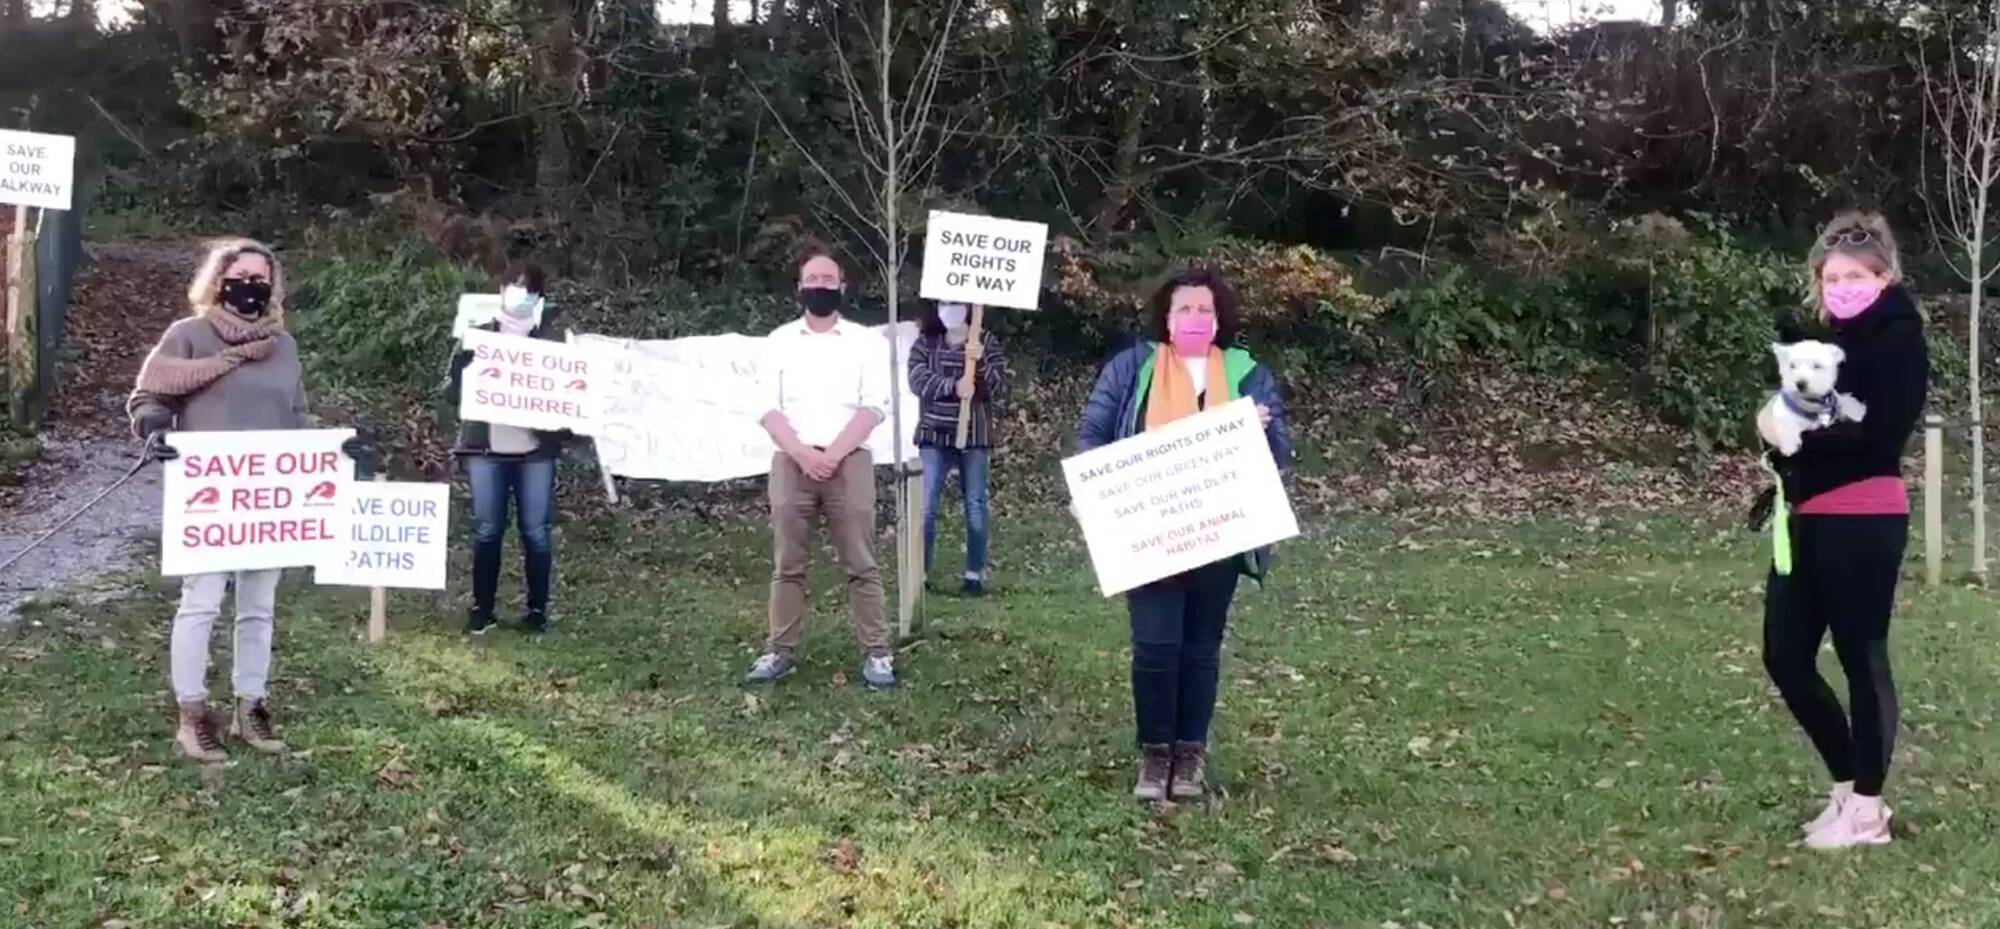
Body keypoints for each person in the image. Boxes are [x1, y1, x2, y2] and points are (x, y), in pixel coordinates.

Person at [128, 237, 366, 763]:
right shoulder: (188, 335)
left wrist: (333, 447)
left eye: (261, 279)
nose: (250, 287)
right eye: (241, 277)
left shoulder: (284, 347)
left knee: (258, 608)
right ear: (219, 281)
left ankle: (250, 706)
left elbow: (296, 415)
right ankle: (192, 714)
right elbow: (148, 395)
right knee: (202, 602)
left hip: (268, 502)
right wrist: (154, 425)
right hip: (209, 498)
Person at [1075, 266, 1292, 802]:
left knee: (1200, 649)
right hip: (1149, 531)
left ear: (1220, 319)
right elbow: (1093, 434)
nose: (1194, 317)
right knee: (1155, 647)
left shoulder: (1248, 375)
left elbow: (1280, 456)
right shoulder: (1133, 368)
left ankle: (1189, 753)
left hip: (1220, 533)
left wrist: (1260, 432)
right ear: (1166, 317)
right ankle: (1155, 755)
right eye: (1184, 308)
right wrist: (1092, 495)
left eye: (1204, 309)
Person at [1758, 211, 1928, 850]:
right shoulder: (1829, 347)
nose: (1843, 288)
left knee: (1861, 654)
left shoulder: (1898, 339)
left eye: (1856, 277)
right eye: (1832, 279)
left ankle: (1867, 812)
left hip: (1864, 516)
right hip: (1806, 516)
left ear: (1884, 277)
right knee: (1785, 655)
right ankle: (1846, 785)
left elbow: (1879, 439)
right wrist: (1775, 431)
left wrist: (1798, 445)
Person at [743, 253, 896, 689]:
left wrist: (833, 455)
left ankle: (877, 654)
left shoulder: (866, 342)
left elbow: (874, 406)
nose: (821, 285)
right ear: (800, 287)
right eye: (813, 278)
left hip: (850, 462)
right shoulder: (778, 342)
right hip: (792, 462)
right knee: (788, 564)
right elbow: (767, 408)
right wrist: (802, 454)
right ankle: (780, 650)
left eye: (828, 279)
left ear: (842, 287)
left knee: (861, 563)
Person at [446, 260, 568, 635]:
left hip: (535, 452)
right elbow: (452, 395)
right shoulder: (477, 336)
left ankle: (537, 612)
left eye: (529, 289)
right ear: (500, 291)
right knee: (487, 530)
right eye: (514, 286)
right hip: (486, 450)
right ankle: (482, 609)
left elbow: (569, 399)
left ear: (539, 298)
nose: (520, 294)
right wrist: (464, 366)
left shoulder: (553, 344)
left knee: (535, 532)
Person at [907, 301, 1008, 596]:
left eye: (956, 303)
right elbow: (917, 380)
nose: (950, 309)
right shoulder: (926, 343)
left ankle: (973, 576)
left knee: (975, 504)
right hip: (933, 435)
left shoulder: (984, 341)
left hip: (973, 435)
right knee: (926, 506)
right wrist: (953, 386)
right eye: (945, 303)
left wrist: (980, 363)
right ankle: (921, 574)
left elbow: (999, 385)